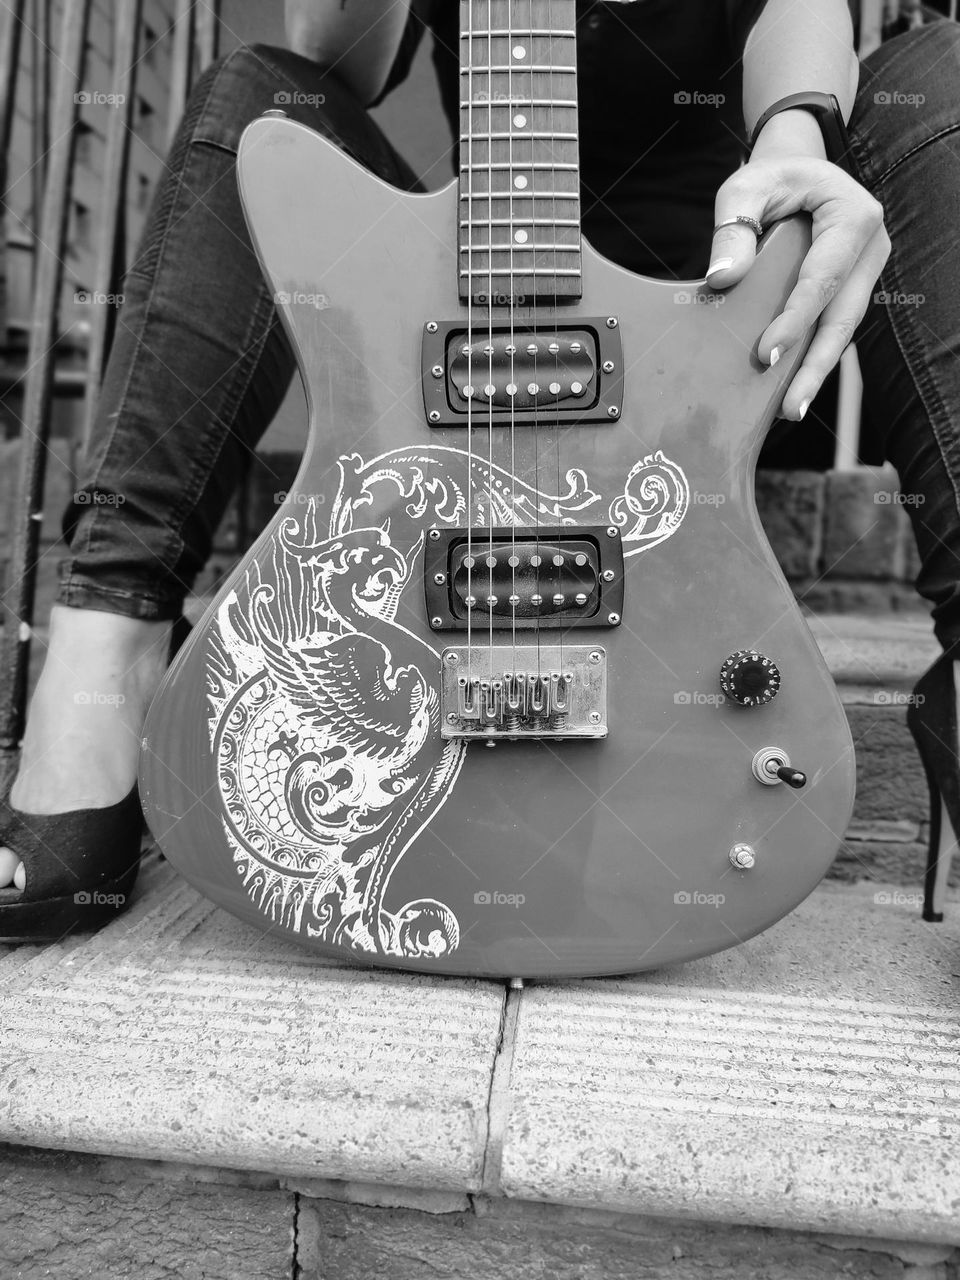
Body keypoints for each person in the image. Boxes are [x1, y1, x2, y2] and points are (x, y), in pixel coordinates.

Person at [1, 0, 958, 938]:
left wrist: (793, 137)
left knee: (936, 69)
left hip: (714, 352)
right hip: (462, 341)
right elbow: (344, 58)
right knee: (263, 95)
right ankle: (105, 649)